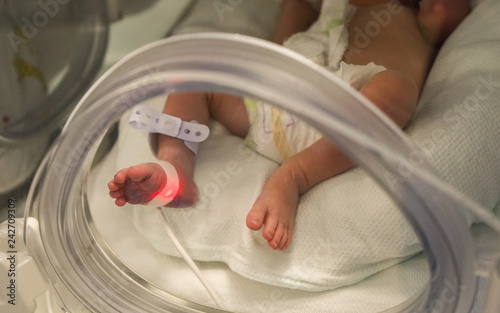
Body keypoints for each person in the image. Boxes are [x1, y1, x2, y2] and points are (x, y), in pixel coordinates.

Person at [108, 0, 471, 251]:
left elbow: (453, 12)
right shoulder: (327, 10)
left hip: (344, 111)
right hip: (268, 106)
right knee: (193, 70)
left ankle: (295, 175)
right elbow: (277, 44)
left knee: (396, 88)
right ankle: (175, 166)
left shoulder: (419, 16)